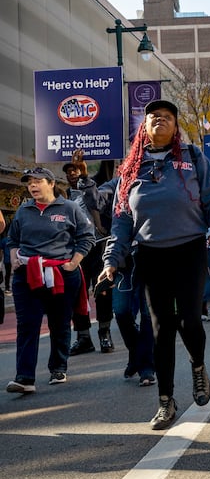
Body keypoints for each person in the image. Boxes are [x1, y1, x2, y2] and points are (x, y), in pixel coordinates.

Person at [99, 99, 210, 430]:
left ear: (175, 127)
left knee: (189, 320)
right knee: (161, 328)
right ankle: (166, 402)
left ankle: (197, 365)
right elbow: (121, 219)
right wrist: (111, 261)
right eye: (153, 118)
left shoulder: (192, 158)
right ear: (144, 128)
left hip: (189, 249)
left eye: (166, 117)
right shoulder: (130, 169)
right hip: (150, 254)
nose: (159, 121)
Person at [6, 167, 95, 393]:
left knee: (59, 322)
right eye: (29, 183)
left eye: (37, 181)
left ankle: (58, 366)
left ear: (51, 183)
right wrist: (14, 258)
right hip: (27, 273)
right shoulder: (23, 210)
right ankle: (24, 378)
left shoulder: (70, 208)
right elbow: (12, 239)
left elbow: (87, 237)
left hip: (61, 273)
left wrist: (74, 263)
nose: (32, 186)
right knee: (27, 324)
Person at [91, 165, 156, 386]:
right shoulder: (117, 184)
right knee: (121, 311)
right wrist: (83, 179)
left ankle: (147, 367)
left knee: (149, 316)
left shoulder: (156, 178)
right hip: (124, 261)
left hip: (151, 256)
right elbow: (96, 201)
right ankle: (137, 353)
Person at [63, 149, 115, 355]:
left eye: (75, 169)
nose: (72, 173)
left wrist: (110, 140)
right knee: (77, 295)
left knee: (102, 291)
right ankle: (83, 337)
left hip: (99, 247)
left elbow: (108, 165)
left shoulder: (96, 185)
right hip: (77, 252)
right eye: (68, 171)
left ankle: (104, 334)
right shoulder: (64, 197)